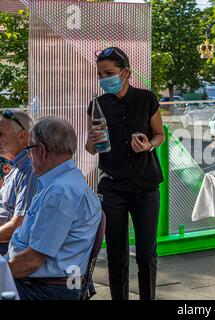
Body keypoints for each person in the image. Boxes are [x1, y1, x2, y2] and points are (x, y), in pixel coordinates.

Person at [85, 47, 165, 300]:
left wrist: (148, 145)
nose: (103, 78)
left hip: (145, 185)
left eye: (108, 72)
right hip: (112, 187)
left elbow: (159, 135)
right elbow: (91, 148)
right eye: (99, 74)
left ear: (126, 72)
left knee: (145, 253)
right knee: (116, 255)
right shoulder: (97, 105)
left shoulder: (146, 99)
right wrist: (91, 140)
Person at [6, 116, 101, 300]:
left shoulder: (60, 192)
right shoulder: (66, 181)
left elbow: (33, 260)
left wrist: (3, 273)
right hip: (43, 283)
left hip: (46, 289)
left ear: (40, 150)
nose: (29, 155)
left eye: (29, 149)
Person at [0, 110, 38, 256]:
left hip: (9, 248)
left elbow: (19, 225)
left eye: (1, 134)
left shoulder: (29, 170)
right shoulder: (17, 168)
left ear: (22, 136)